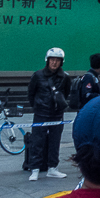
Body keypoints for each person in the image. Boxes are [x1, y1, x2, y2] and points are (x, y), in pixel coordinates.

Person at [27, 48, 71, 181]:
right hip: (41, 114)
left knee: (55, 142)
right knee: (37, 141)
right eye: (52, 60)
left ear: (61, 62)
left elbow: (66, 93)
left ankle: (53, 168)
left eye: (58, 60)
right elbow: (31, 93)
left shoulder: (65, 77)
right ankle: (35, 169)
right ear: (47, 60)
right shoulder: (38, 75)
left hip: (57, 115)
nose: (54, 63)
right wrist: (38, 106)